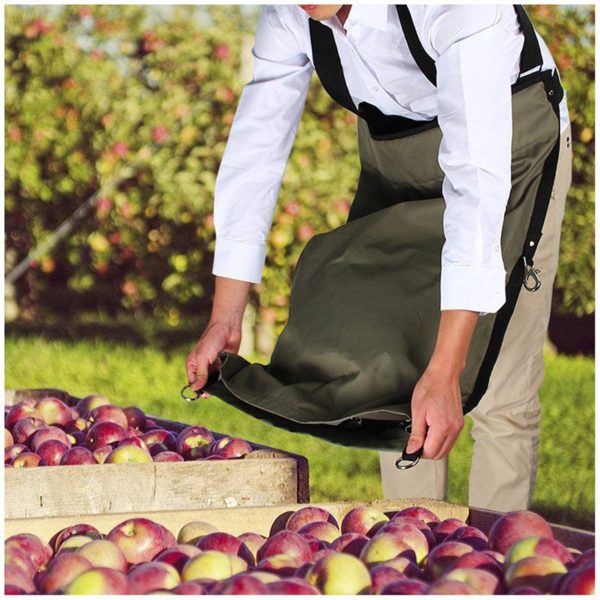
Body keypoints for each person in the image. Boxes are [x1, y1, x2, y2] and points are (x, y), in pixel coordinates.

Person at [186, 5, 571, 512]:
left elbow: (476, 182)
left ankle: (490, 565)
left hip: (511, 155)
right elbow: (255, 152)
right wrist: (224, 317)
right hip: (400, 164)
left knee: (500, 390)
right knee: (391, 380)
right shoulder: (289, 11)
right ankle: (410, 553)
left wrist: (447, 367)